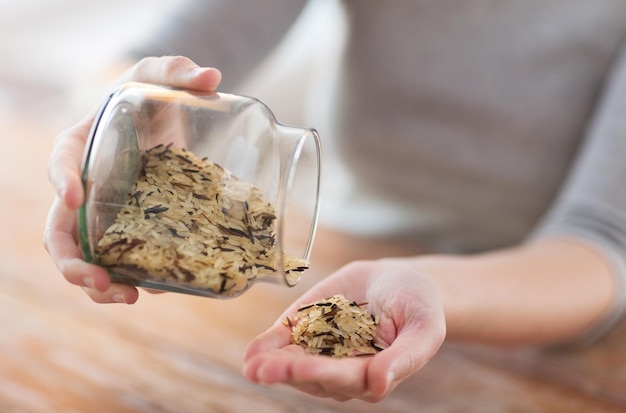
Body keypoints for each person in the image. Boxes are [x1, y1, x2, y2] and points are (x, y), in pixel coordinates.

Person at [44, 0, 626, 403]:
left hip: (533, 317)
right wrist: (113, 129)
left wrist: (430, 288)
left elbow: (601, 244)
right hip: (332, 261)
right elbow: (149, 57)